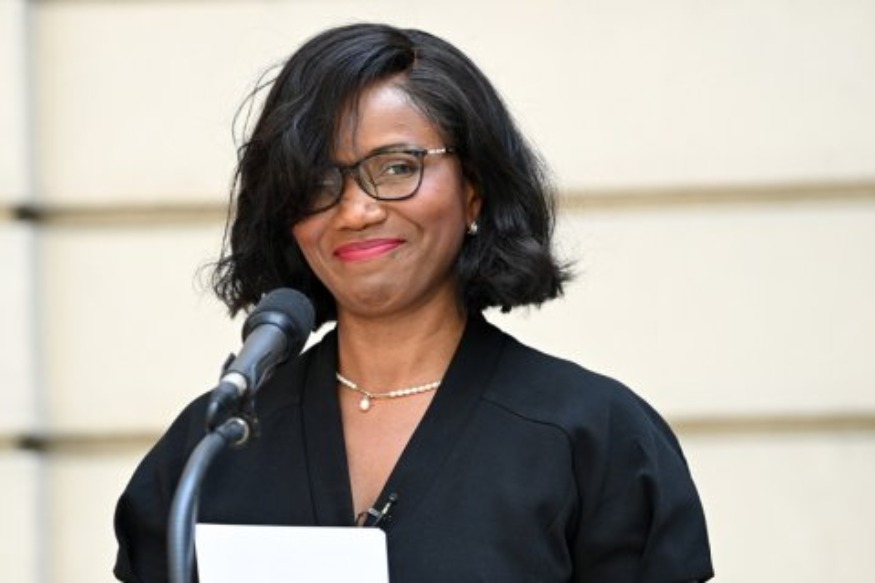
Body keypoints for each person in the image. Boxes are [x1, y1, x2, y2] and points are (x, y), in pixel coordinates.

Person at [114, 22, 713, 582]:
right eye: (317, 181)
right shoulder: (209, 449)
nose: (355, 210)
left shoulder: (595, 436)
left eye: (398, 167)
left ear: (474, 188)